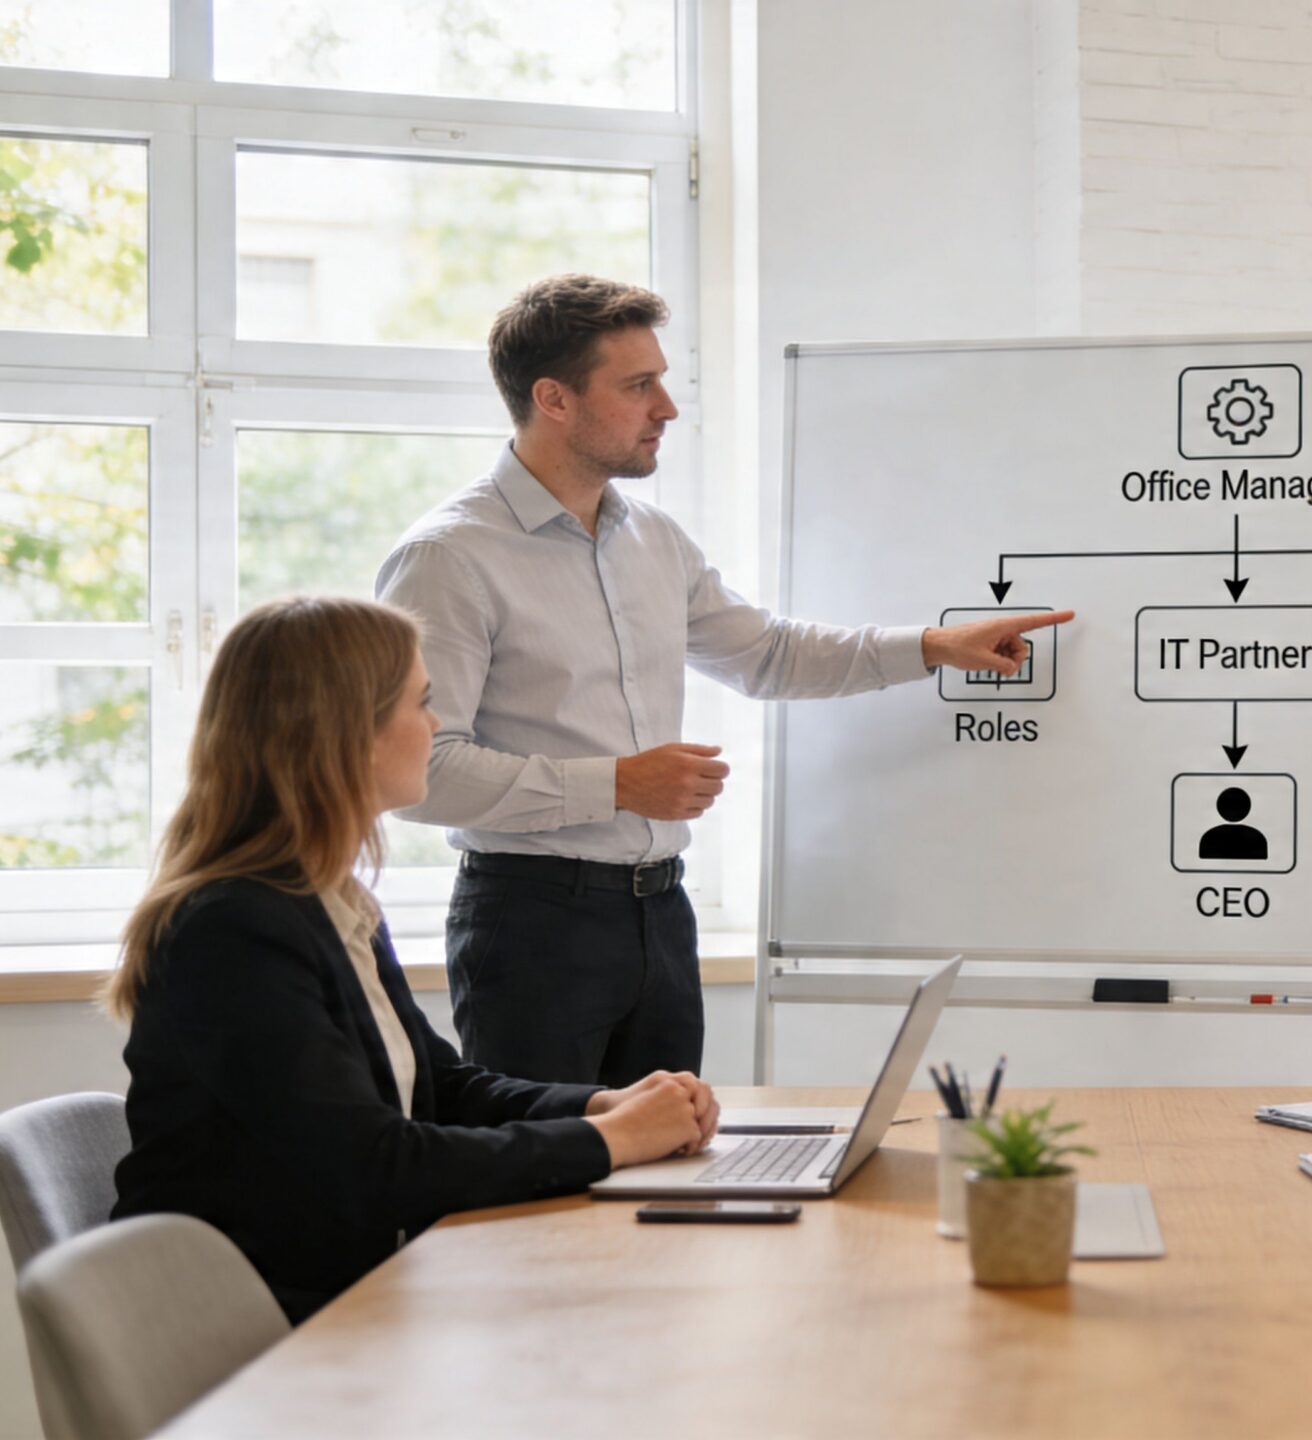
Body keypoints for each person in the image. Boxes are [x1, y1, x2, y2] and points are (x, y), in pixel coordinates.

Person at [377, 274, 1070, 1087]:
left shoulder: (654, 540)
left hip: (661, 917)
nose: (666, 407)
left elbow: (768, 653)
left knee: (671, 1173)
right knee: (543, 1188)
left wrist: (932, 645)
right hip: (531, 922)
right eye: (638, 386)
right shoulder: (449, 558)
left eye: (662, 381)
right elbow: (421, 776)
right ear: (553, 399)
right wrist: (617, 785)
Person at [105, 596, 718, 1324]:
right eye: (422, 705)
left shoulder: (330, 901)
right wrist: (611, 1140)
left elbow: (442, 1087)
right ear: (348, 736)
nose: (435, 727)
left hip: (351, 1298)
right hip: (258, 1329)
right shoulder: (233, 930)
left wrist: (598, 1105)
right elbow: (376, 1167)